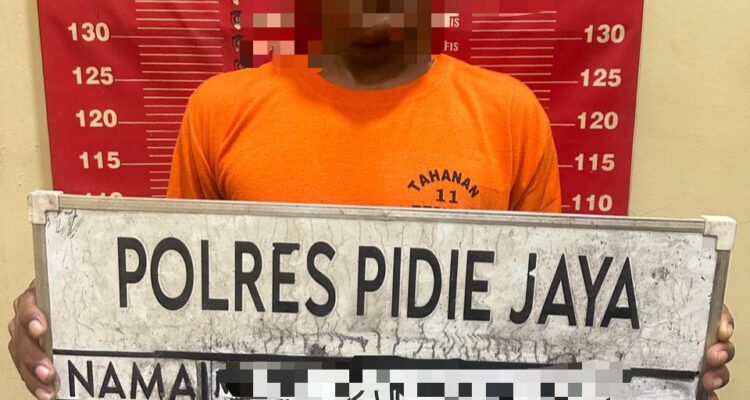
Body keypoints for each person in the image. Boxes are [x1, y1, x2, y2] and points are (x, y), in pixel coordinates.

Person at [8, 1, 734, 399]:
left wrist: (662, 359)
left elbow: (553, 334)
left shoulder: (510, 114)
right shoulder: (221, 110)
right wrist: (72, 331)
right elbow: (171, 326)